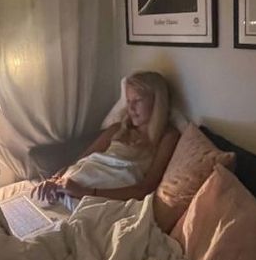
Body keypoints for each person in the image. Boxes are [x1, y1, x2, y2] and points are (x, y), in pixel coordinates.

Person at [33, 71, 179, 208]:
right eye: (128, 101)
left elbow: (145, 188)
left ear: (156, 102)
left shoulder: (167, 137)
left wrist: (85, 192)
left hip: (95, 196)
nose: (131, 108)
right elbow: (81, 159)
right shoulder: (117, 129)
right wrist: (53, 179)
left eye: (137, 101)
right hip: (70, 185)